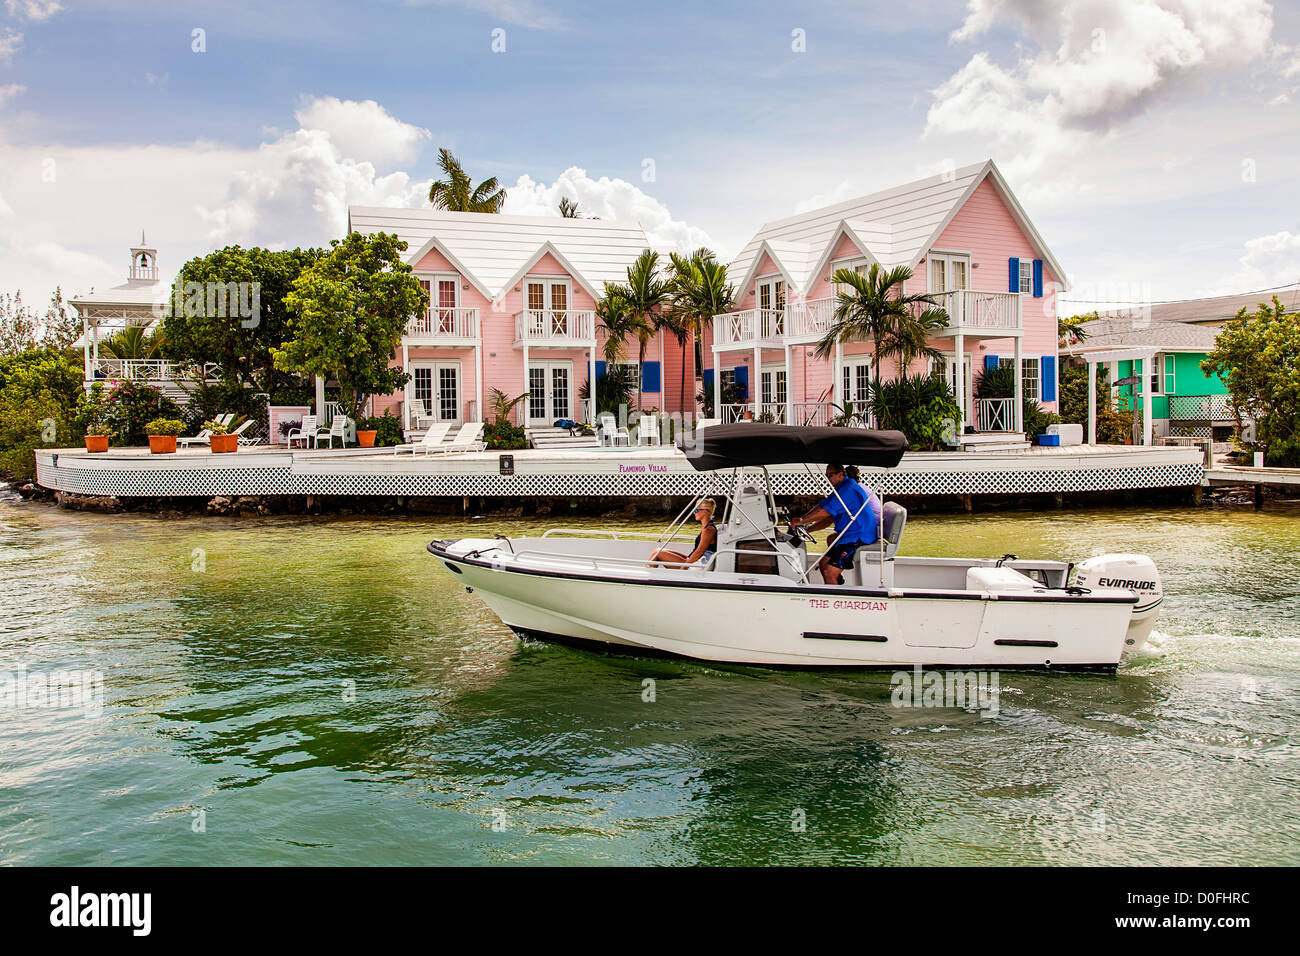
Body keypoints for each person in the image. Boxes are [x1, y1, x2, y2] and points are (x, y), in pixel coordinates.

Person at [790, 463, 882, 585]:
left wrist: (801, 521)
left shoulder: (847, 490)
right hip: (848, 535)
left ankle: (834, 599)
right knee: (823, 564)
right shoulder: (841, 488)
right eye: (826, 475)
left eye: (830, 475)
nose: (828, 478)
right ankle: (835, 586)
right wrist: (805, 524)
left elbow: (825, 513)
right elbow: (822, 507)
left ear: (840, 474)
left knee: (829, 572)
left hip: (859, 536)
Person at [648, 498, 718, 568]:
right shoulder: (707, 527)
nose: (694, 513)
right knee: (658, 550)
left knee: (657, 553)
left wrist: (684, 567)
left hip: (695, 565)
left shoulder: (708, 530)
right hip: (692, 561)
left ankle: (648, 576)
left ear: (705, 511)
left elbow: (699, 552)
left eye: (696, 510)